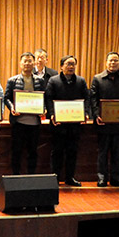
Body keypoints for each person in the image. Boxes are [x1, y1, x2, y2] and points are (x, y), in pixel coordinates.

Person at [90, 51, 119, 188]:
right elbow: (93, 99)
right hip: (103, 122)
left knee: (117, 152)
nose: (113, 63)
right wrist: (96, 115)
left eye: (115, 60)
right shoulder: (98, 79)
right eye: (110, 60)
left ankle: (116, 178)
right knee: (103, 151)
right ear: (106, 62)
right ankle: (102, 177)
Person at [45, 55, 90, 187]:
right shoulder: (53, 81)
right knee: (57, 152)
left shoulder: (81, 81)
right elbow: (48, 98)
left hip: (75, 124)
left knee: (72, 151)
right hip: (58, 124)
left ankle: (70, 177)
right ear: (61, 67)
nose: (71, 67)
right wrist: (52, 114)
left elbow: (87, 98)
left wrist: (85, 113)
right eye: (68, 64)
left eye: (73, 64)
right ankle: (55, 177)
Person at [4, 52, 47, 175]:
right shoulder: (12, 80)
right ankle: (16, 176)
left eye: (30, 61)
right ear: (20, 63)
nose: (27, 63)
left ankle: (31, 176)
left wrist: (44, 109)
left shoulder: (40, 81)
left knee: (33, 151)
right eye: (25, 61)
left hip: (34, 123)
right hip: (18, 122)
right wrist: (12, 108)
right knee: (16, 151)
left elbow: (44, 97)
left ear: (34, 63)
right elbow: (6, 98)